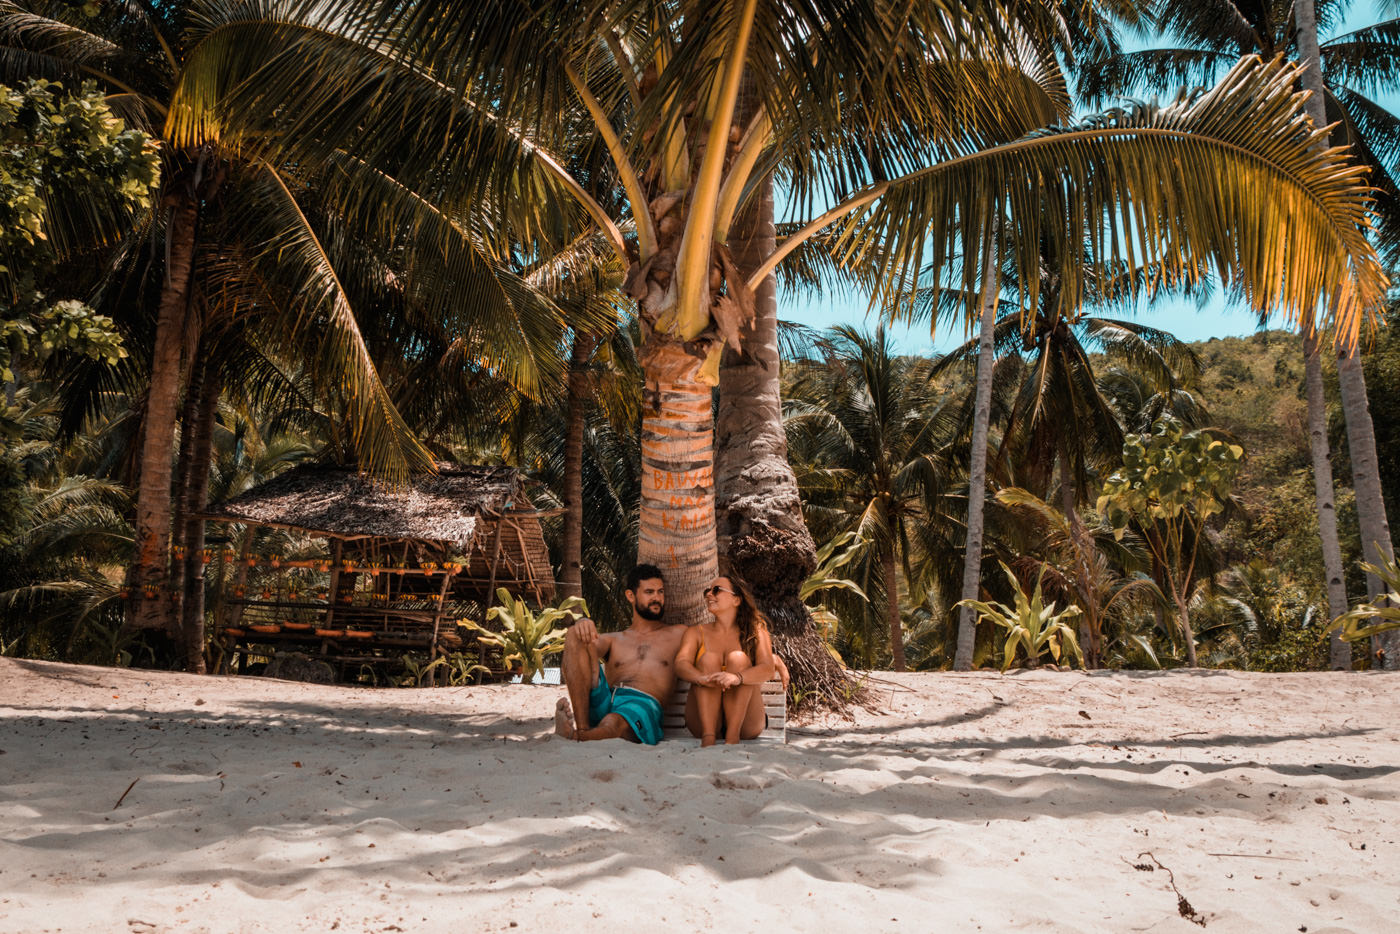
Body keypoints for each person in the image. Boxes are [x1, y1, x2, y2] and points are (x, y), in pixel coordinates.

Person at [554, 564, 687, 743]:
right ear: (630, 596)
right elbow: (582, 645)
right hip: (606, 699)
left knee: (613, 721)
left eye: (660, 592)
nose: (657, 598)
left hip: (642, 704)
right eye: (649, 592)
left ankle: (577, 737)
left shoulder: (678, 634)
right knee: (573, 634)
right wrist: (582, 622)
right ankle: (583, 728)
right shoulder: (615, 639)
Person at [674, 575, 776, 746]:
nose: (709, 595)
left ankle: (732, 736)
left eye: (717, 590)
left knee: (738, 658)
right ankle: (708, 737)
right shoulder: (696, 632)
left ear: (736, 600)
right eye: (707, 591)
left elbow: (767, 669)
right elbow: (680, 664)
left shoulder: (756, 631)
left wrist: (737, 677)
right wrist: (700, 678)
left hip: (746, 725)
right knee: (708, 658)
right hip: (701, 722)